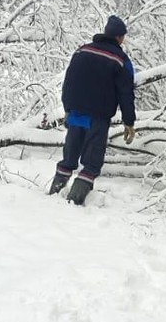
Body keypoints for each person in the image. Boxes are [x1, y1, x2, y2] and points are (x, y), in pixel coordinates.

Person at [50, 15, 136, 204]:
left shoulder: (82, 51)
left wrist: (68, 108)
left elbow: (69, 81)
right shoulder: (120, 60)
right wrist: (129, 122)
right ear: (119, 37)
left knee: (69, 156)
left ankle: (54, 194)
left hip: (76, 113)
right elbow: (126, 92)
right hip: (98, 116)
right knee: (92, 161)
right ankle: (74, 202)